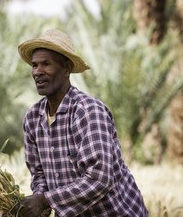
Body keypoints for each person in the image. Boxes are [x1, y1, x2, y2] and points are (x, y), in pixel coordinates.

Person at [12, 29, 148, 217]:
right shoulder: (33, 118)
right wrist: (33, 205)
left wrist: (45, 200)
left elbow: (100, 178)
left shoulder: (87, 111)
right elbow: (39, 175)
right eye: (34, 65)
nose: (37, 72)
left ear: (66, 69)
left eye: (46, 64)